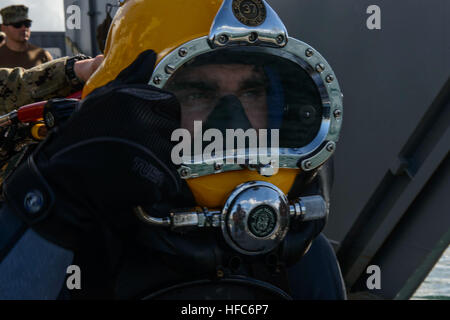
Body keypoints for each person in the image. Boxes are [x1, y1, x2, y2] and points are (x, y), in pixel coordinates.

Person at [0, 0, 346, 300]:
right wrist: (52, 204)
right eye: (197, 93)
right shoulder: (74, 232)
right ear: (130, 104)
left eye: (251, 92)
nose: (234, 122)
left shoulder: (299, 243)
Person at [0, 54, 104, 115]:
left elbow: (17, 87)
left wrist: (75, 70)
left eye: (27, 24)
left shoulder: (40, 53)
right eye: (17, 25)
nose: (24, 28)